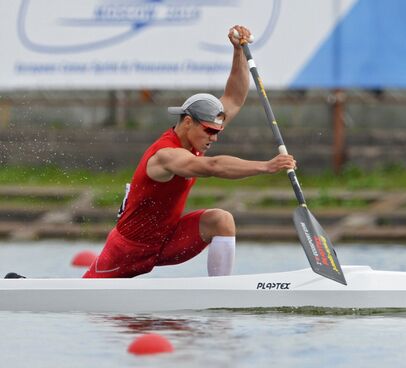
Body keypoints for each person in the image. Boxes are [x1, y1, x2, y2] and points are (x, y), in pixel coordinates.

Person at [83, 25, 296, 278]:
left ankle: (221, 294)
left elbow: (235, 98)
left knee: (221, 221)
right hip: (127, 250)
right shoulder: (165, 155)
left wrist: (238, 51)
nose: (214, 138)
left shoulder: (199, 135)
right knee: (89, 298)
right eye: (209, 131)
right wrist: (266, 166)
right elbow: (213, 167)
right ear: (187, 122)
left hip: (167, 240)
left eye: (217, 131)